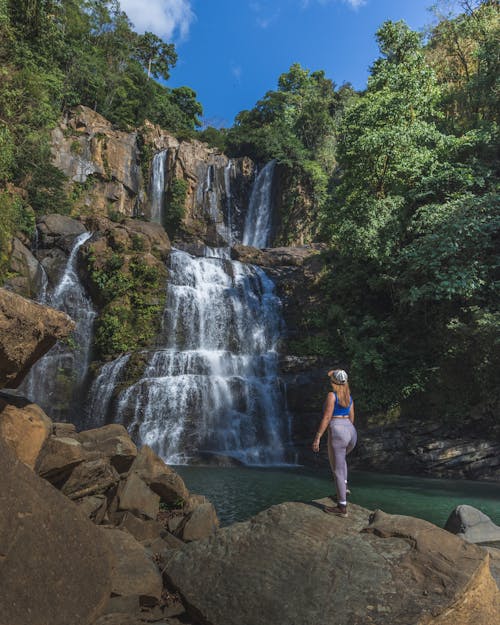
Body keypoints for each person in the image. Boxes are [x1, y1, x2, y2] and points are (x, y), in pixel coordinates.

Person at [312, 368, 357, 517]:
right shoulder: (349, 397)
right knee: (341, 460)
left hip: (337, 431)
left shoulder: (332, 396)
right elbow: (352, 418)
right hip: (351, 432)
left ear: (333, 383)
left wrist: (318, 436)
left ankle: (342, 507)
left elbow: (326, 417)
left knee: (337, 469)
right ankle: (344, 487)